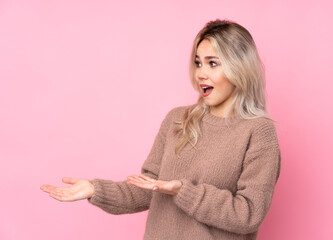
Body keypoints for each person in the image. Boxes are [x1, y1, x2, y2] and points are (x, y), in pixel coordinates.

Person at [40, 19, 281, 240]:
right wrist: (95, 189)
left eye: (213, 63)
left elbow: (249, 213)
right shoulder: (178, 120)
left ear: (240, 69)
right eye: (198, 63)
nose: (201, 74)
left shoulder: (258, 132)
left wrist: (183, 190)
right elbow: (148, 189)